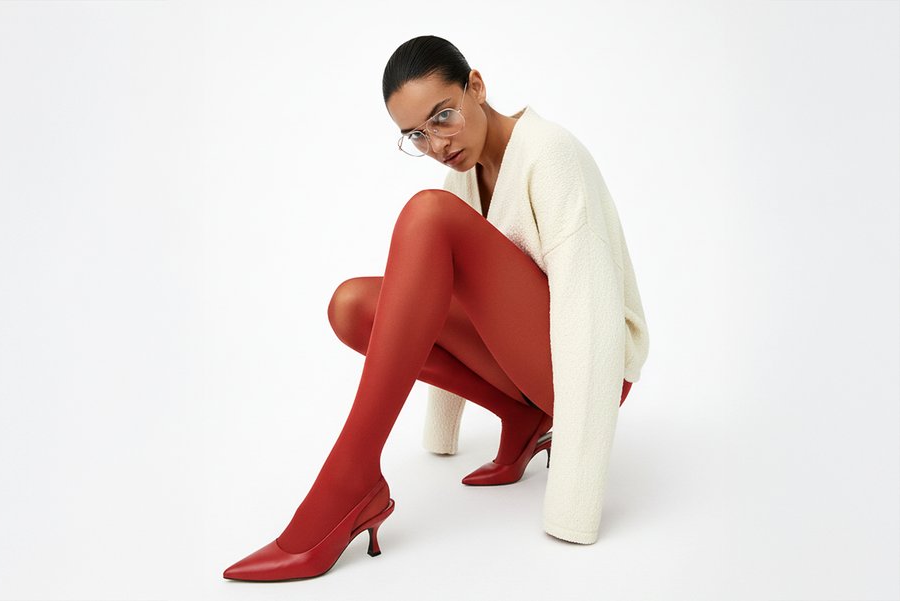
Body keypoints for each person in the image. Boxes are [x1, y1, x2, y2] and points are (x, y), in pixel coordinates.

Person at [223, 35, 650, 583]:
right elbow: (446, 307)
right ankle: (521, 418)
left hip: (593, 376)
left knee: (428, 215)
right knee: (352, 307)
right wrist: (442, 431)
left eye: (443, 116)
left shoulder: (551, 155)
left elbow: (587, 319)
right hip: (531, 373)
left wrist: (575, 501)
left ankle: (350, 481)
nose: (437, 143)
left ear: (476, 85)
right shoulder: (463, 175)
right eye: (416, 135)